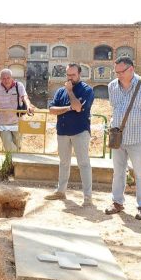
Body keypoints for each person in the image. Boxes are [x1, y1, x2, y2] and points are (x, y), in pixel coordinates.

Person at [105, 56, 141, 220]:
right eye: (116, 72)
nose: (118, 75)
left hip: (138, 137)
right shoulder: (112, 86)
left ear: (131, 69)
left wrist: (140, 124)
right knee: (118, 172)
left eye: (121, 72)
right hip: (118, 137)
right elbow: (115, 108)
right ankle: (117, 202)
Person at [45, 63, 94, 205]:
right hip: (63, 131)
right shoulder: (60, 91)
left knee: (83, 163)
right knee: (63, 162)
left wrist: (70, 92)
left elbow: (78, 108)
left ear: (79, 74)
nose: (70, 77)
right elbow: (52, 109)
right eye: (68, 75)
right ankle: (61, 191)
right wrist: (68, 108)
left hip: (80, 131)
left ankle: (87, 197)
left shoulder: (86, 90)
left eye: (73, 75)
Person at [0, 68, 35, 153]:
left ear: (12, 78)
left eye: (8, 78)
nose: (6, 80)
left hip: (17, 120)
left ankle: (13, 162)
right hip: (3, 121)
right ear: (1, 79)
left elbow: (24, 97)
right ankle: (15, 157)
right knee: (7, 143)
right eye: (3, 78)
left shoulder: (19, 85)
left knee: (18, 143)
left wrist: (29, 106)